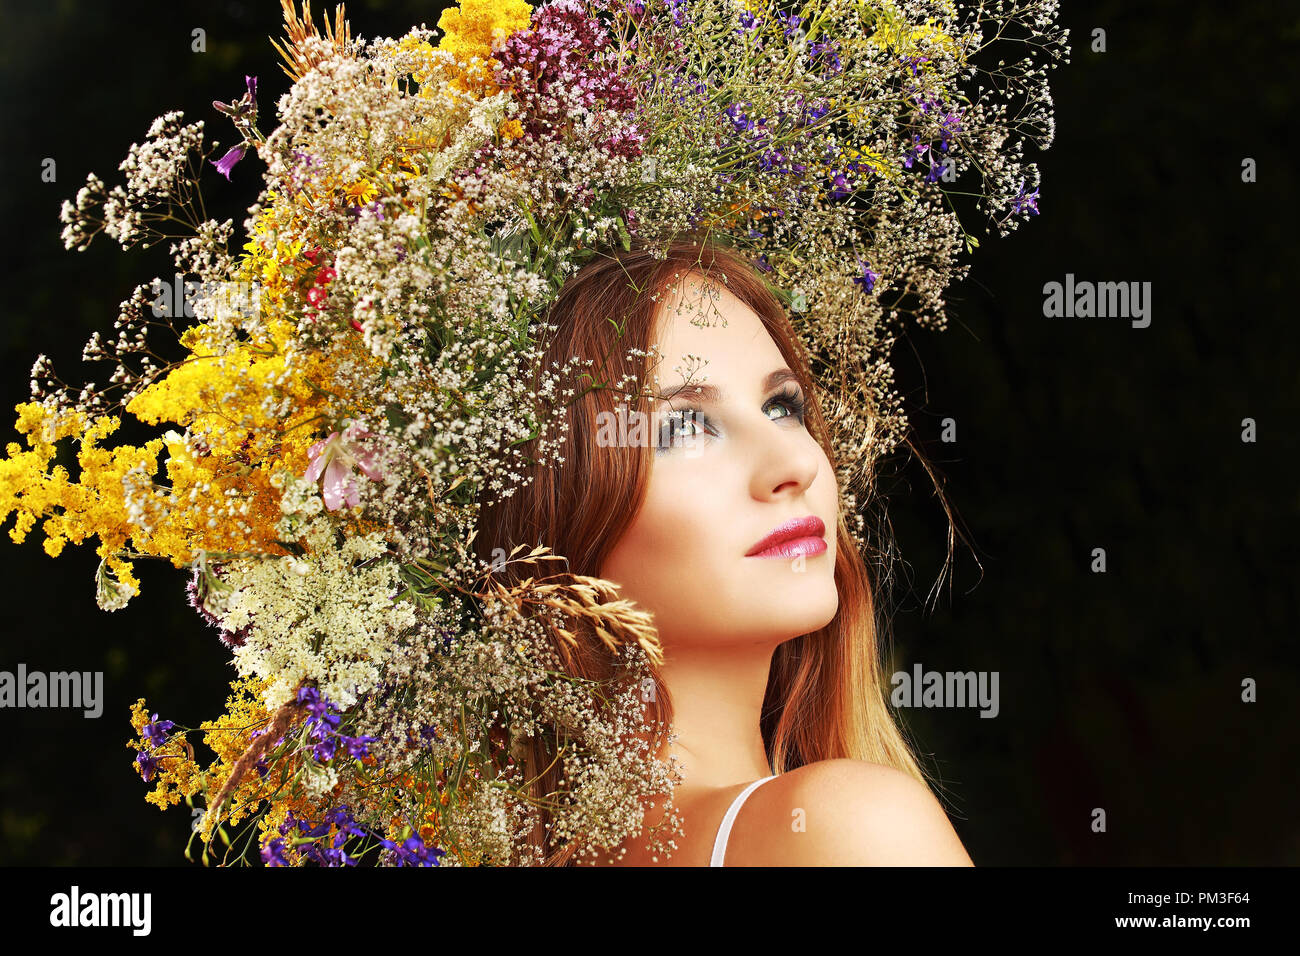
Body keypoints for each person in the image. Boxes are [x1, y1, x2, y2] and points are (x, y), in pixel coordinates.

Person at [475, 237, 973, 866]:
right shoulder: (843, 828)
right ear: (554, 514)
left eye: (782, 407)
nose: (794, 463)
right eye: (685, 426)